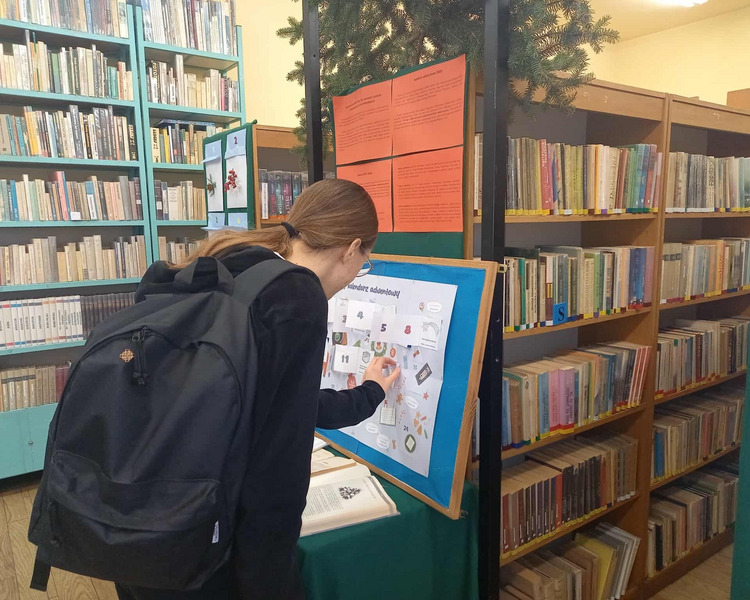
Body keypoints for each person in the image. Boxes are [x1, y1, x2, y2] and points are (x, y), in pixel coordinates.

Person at [114, 178, 400, 600]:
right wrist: (271, 583)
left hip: (138, 517)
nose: (358, 273)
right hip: (203, 549)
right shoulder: (295, 298)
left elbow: (279, 403)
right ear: (351, 248)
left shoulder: (234, 263)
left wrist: (368, 394)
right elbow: (278, 471)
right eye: (365, 262)